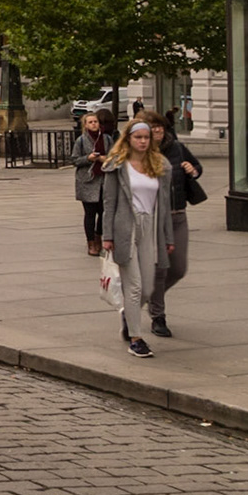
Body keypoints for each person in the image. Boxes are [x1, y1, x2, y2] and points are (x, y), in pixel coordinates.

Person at [100, 120, 176, 359]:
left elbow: (164, 205)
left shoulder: (160, 165)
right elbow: (109, 202)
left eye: (146, 137)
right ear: (128, 139)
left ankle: (127, 314)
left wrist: (168, 236)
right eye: (138, 137)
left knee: (146, 288)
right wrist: (107, 236)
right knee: (133, 287)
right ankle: (136, 338)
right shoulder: (118, 165)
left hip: (150, 228)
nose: (143, 141)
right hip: (126, 227)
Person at [148, 120, 204, 338]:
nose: (157, 130)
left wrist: (193, 170)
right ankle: (158, 316)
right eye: (152, 128)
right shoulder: (140, 153)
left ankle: (144, 300)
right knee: (159, 269)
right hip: (153, 219)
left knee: (178, 268)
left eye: (160, 126)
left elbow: (197, 167)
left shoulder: (177, 148)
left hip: (177, 214)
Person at [72, 112, 109, 256]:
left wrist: (104, 159)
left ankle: (98, 236)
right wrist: (88, 158)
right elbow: (75, 160)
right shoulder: (81, 140)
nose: (94, 124)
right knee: (90, 214)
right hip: (87, 181)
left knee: (104, 212)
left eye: (96, 121)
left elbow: (114, 156)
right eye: (90, 122)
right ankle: (91, 243)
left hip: (104, 180)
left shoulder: (106, 139)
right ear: (85, 125)